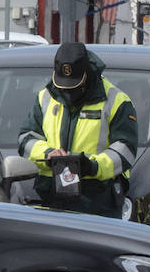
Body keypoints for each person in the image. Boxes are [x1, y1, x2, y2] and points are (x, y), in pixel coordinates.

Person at [19, 41, 138, 217]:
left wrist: (92, 166)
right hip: (51, 199)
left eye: (74, 86)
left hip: (98, 201)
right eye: (63, 86)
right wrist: (47, 154)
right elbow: (26, 139)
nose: (68, 92)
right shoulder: (45, 97)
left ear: (87, 75)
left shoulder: (116, 101)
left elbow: (125, 150)